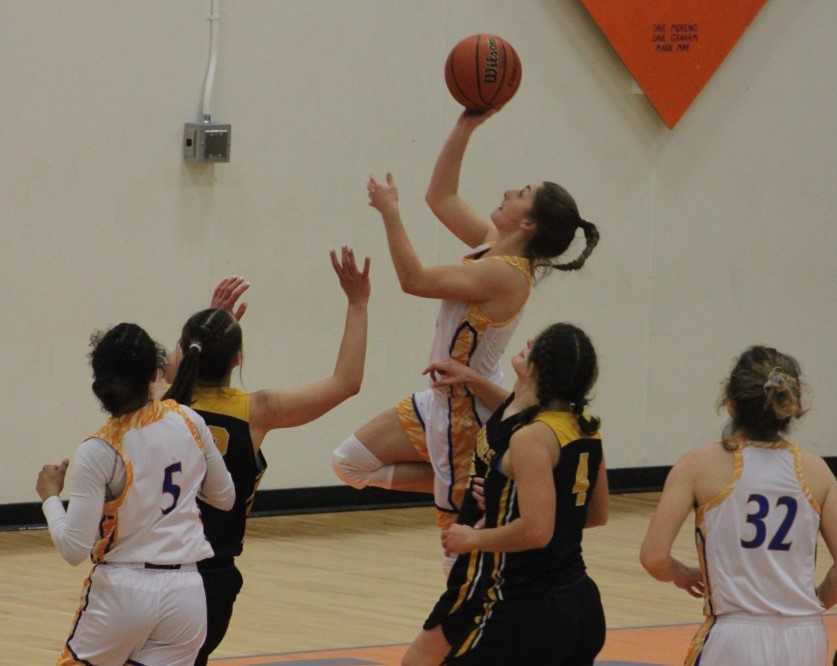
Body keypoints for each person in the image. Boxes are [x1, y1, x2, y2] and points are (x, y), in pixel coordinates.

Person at [332, 111, 600, 568]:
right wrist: (466, 123)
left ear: (529, 223)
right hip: (441, 394)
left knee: (457, 552)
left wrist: (391, 214)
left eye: (523, 194)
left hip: (467, 414)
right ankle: (470, 482)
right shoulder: (496, 242)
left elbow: (414, 279)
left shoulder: (506, 275)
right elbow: (442, 196)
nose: (511, 191)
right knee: (350, 462)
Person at [162, 248, 371, 665]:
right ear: (237, 359)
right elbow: (347, 382)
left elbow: (174, 365)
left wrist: (211, 318)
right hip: (211, 578)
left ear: (188, 351)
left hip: (150, 571)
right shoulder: (257, 411)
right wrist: (358, 304)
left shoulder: (160, 402)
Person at [403, 323, 609, 665]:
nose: (527, 342)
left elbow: (537, 530)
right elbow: (594, 513)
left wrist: (474, 537)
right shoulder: (581, 425)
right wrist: (471, 378)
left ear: (542, 370)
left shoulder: (531, 438)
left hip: (518, 598)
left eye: (536, 346)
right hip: (578, 599)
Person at [36, 323, 235, 666]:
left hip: (122, 592)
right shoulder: (188, 420)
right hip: (186, 591)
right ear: (154, 374)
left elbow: (73, 549)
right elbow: (225, 497)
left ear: (98, 384)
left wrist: (50, 497)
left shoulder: (98, 449)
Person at [640, 345, 837, 666]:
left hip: (734, 636)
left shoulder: (698, 465)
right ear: (790, 406)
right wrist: (816, 600)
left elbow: (654, 557)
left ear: (730, 402)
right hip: (806, 637)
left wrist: (683, 574)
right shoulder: (817, 471)